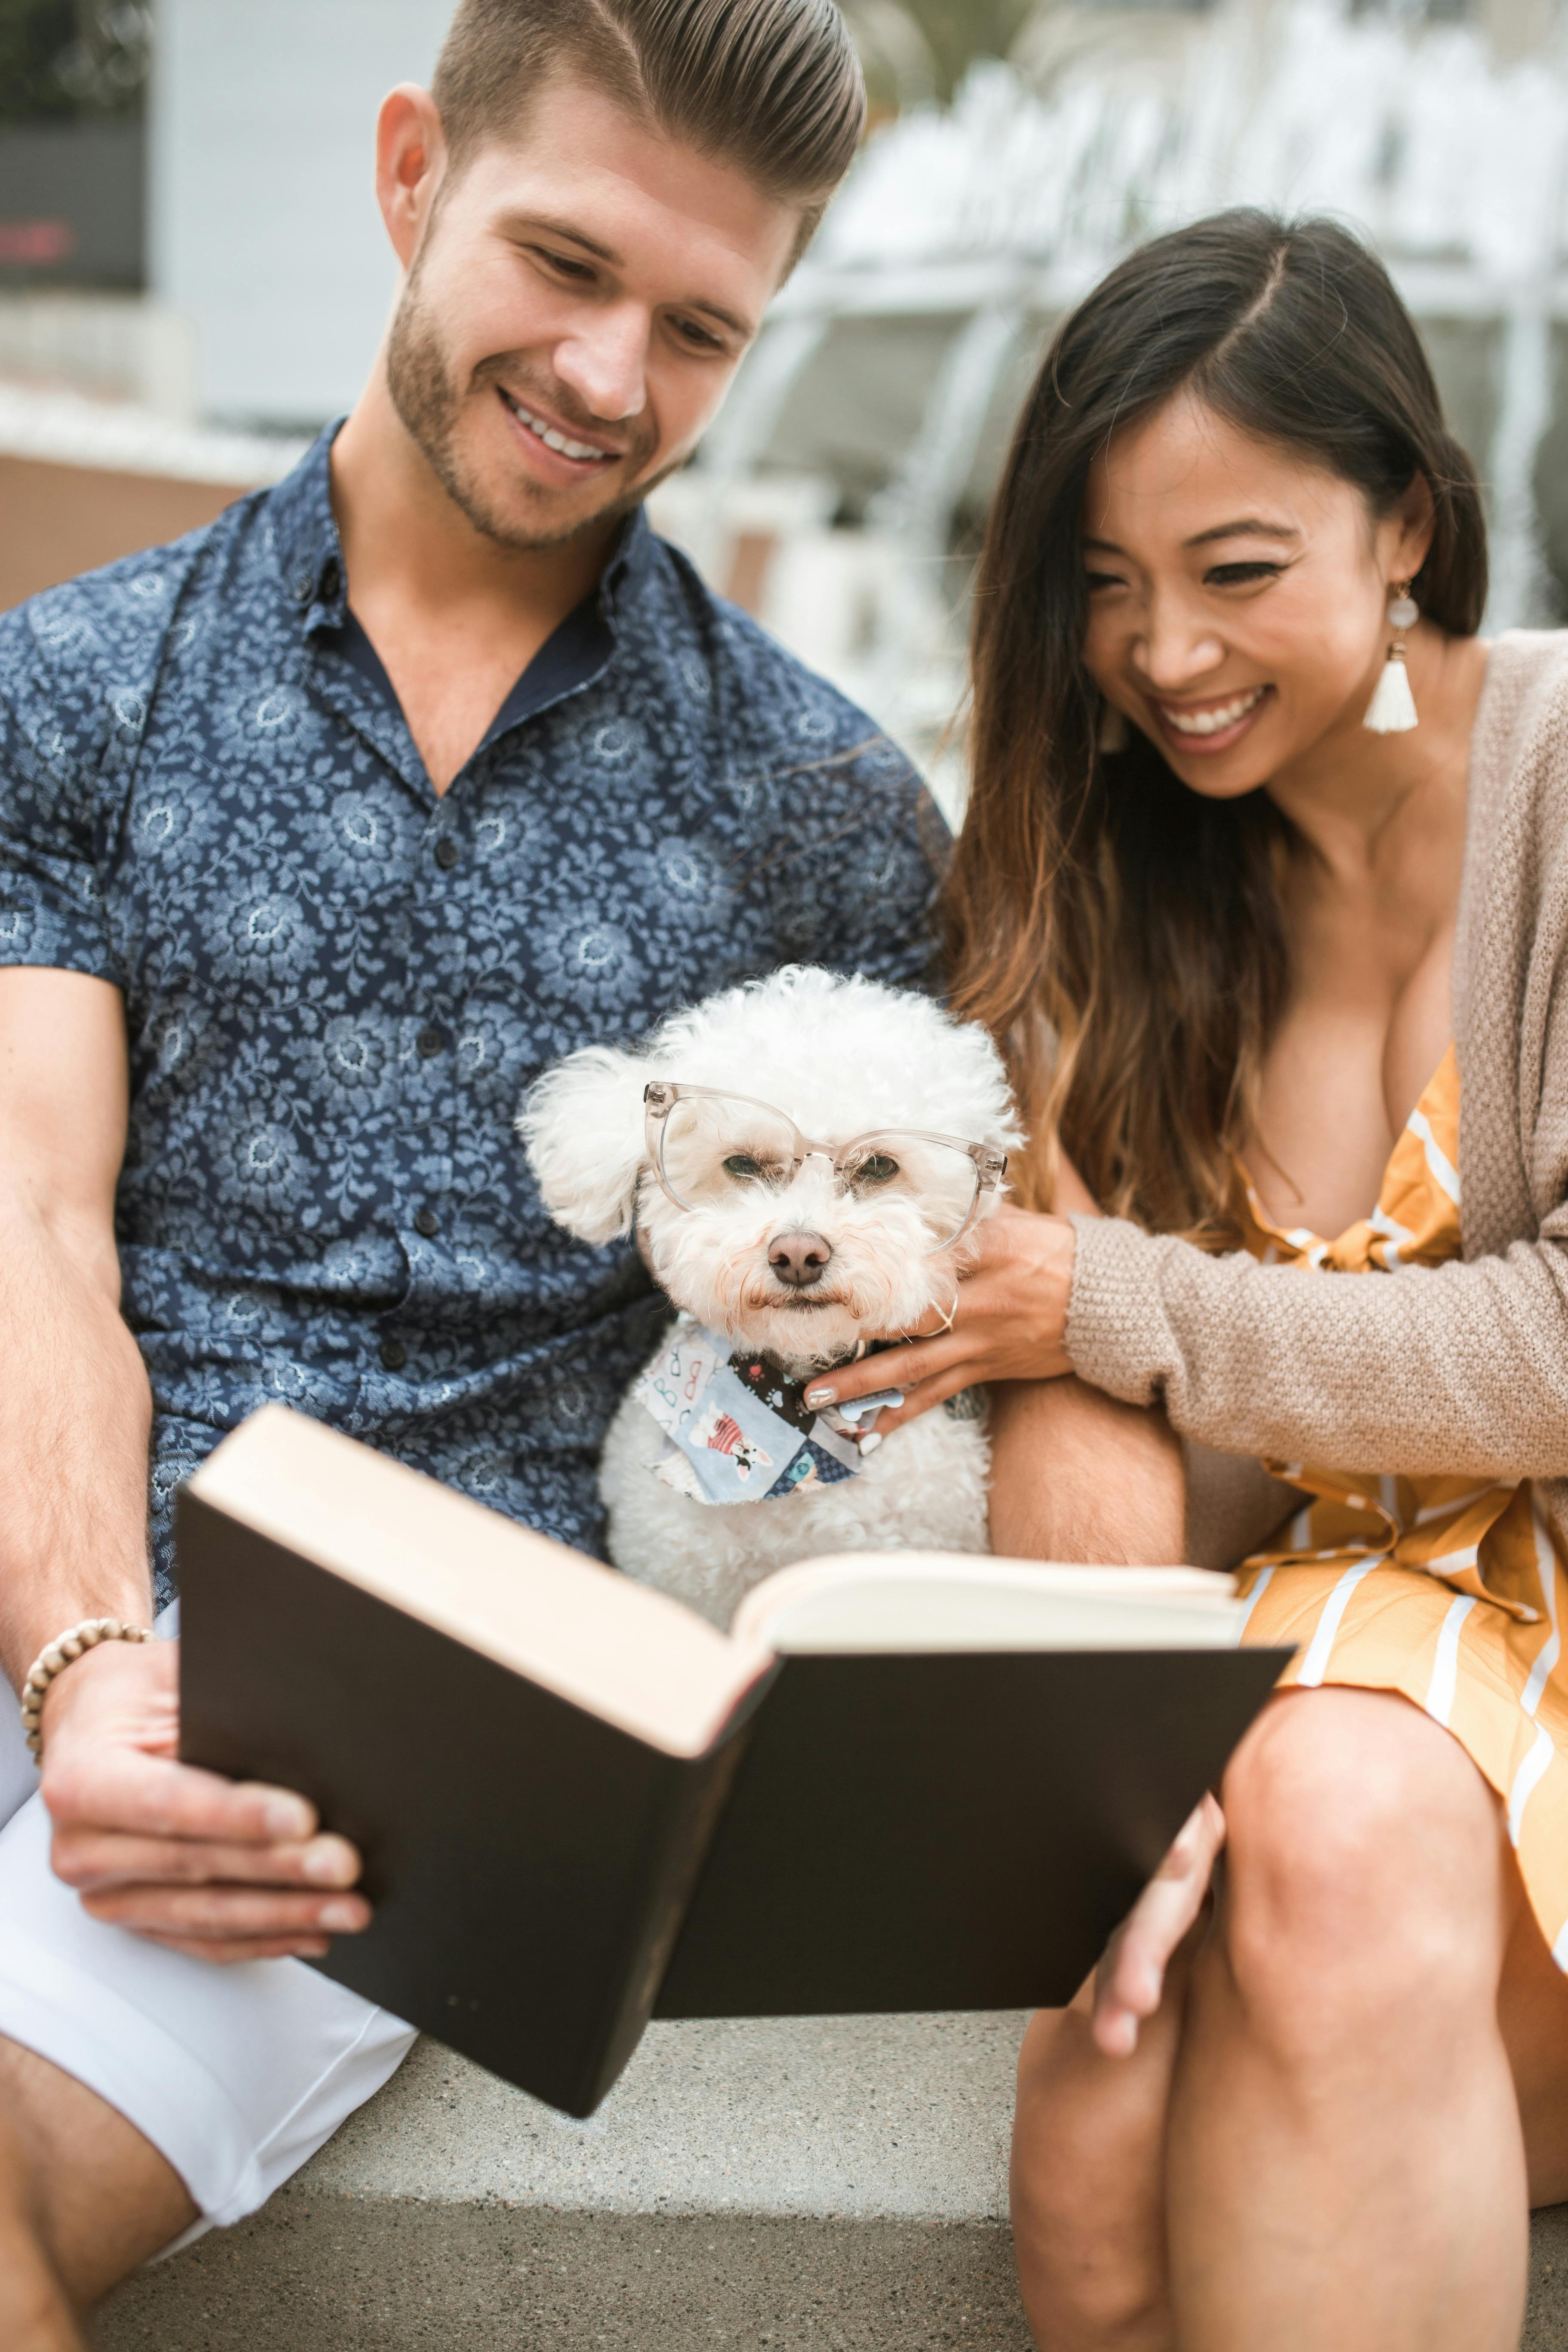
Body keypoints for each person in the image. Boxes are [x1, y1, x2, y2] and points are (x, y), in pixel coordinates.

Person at [0, 4, 960, 2340]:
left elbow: (929, 1330)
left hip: (433, 1714)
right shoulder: (72, 690)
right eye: (566, 264)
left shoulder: (826, 816)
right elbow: (28, 1222)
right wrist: (88, 1659)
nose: (617, 376)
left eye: (705, 329)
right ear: (413, 170)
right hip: (61, 1577)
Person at [816, 210, 1568, 2349]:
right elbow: (1049, 1376)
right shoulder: (1087, 871)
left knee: (1323, 1823)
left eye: (1237, 572)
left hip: (1509, 1648)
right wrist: (1101, 1773)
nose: (1163, 656)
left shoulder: (1561, 781)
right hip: (1286, 1665)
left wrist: (1130, 1309)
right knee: (1113, 2089)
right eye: (1104, 585)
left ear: (1407, 518)